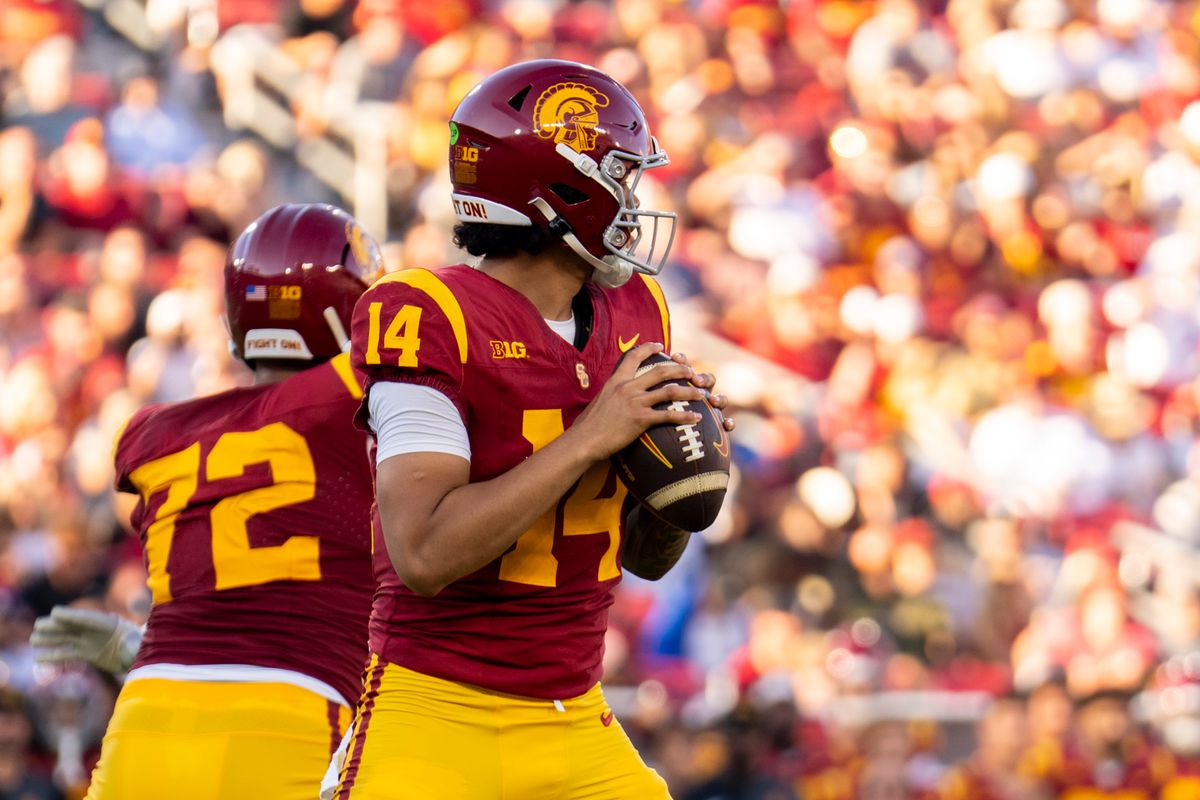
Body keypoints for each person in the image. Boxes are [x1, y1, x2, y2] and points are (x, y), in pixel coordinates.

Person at [335, 59, 734, 799]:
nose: (633, 202)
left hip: (576, 715)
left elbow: (644, 560)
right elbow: (422, 554)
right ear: (559, 192)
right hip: (435, 714)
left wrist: (682, 471)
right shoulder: (426, 312)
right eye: (621, 178)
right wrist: (592, 435)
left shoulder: (638, 309)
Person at [31, 203, 383, 800]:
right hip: (290, 718)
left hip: (145, 716)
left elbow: (226, 601)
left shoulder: (157, 434)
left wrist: (132, 646)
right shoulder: (359, 407)